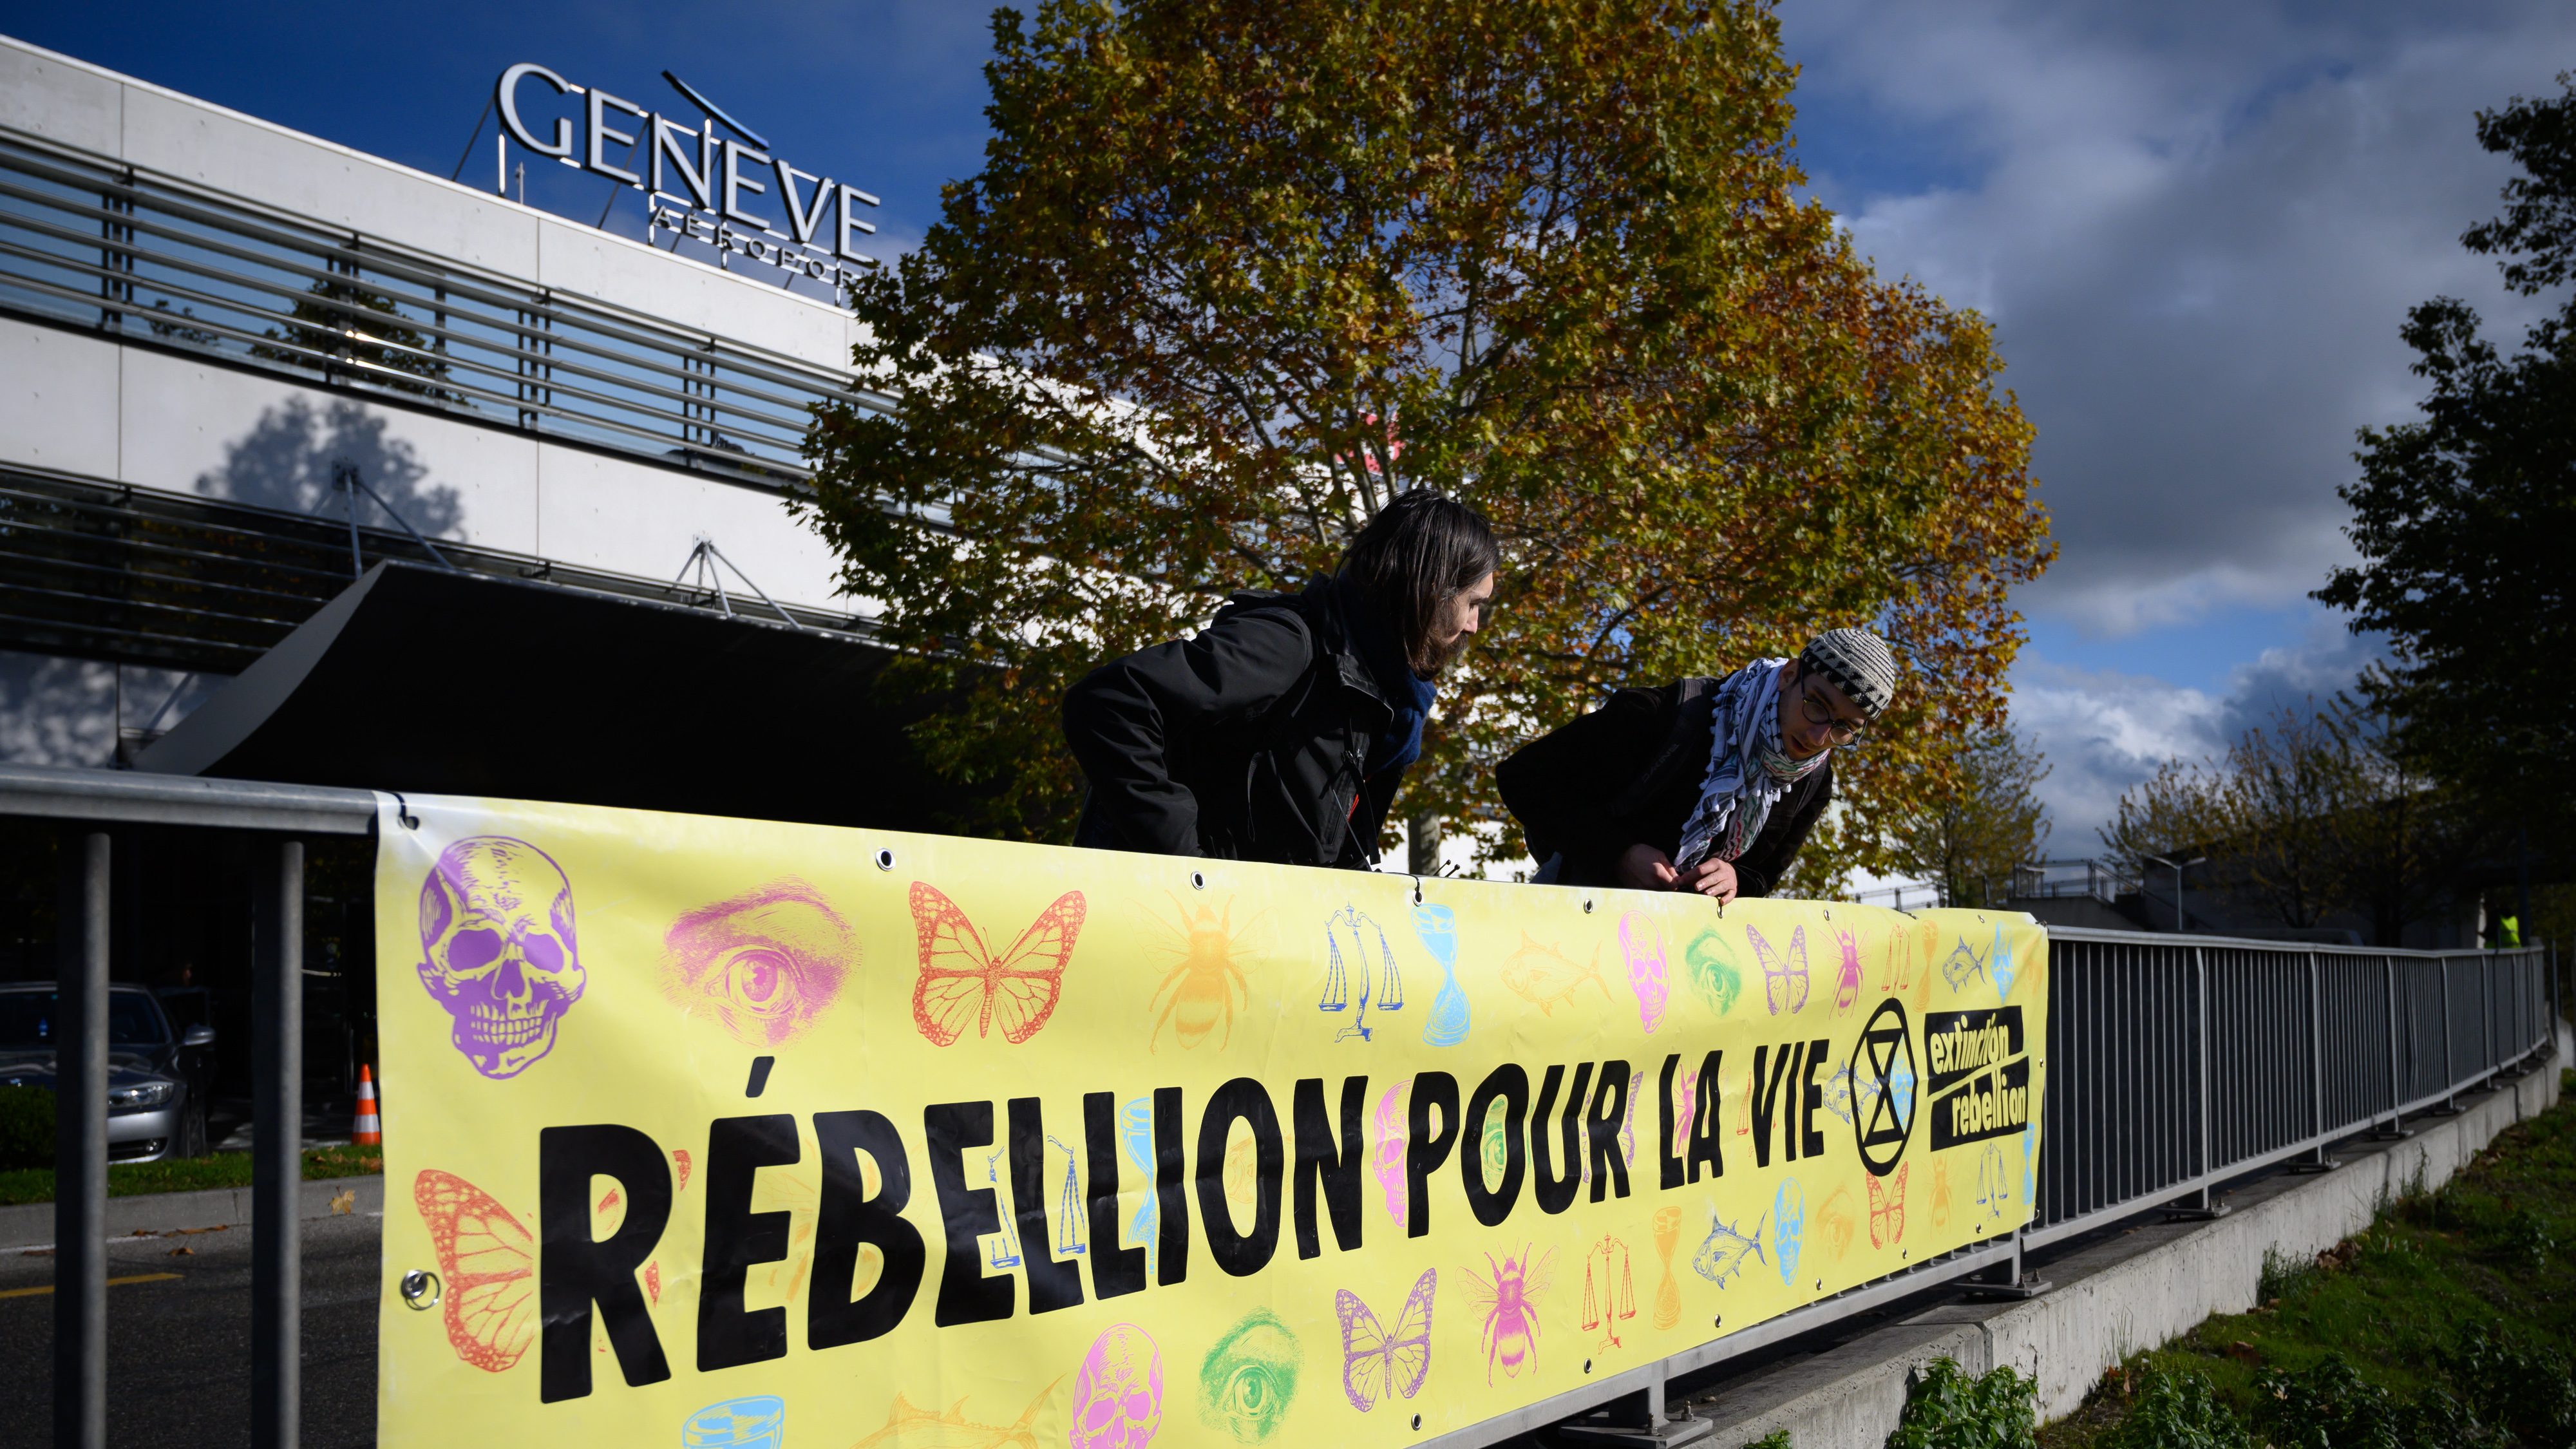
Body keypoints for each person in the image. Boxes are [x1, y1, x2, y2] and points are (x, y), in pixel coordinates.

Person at [1063, 491, 1500, 869]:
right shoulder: (1289, 645)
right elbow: (1109, 702)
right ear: (1428, 589)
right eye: (1473, 604)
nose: (1474, 625)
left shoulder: (1392, 705)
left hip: (1251, 943)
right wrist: (1188, 868)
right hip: (1167, 930)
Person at [1496, 629, 1899, 902]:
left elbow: (1762, 874)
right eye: (1817, 706)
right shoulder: (1666, 714)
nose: (1818, 738)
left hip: (1682, 971)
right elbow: (1523, 778)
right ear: (1790, 675)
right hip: (1579, 933)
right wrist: (1618, 853)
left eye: (1845, 728)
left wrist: (1735, 879)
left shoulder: (1814, 781)